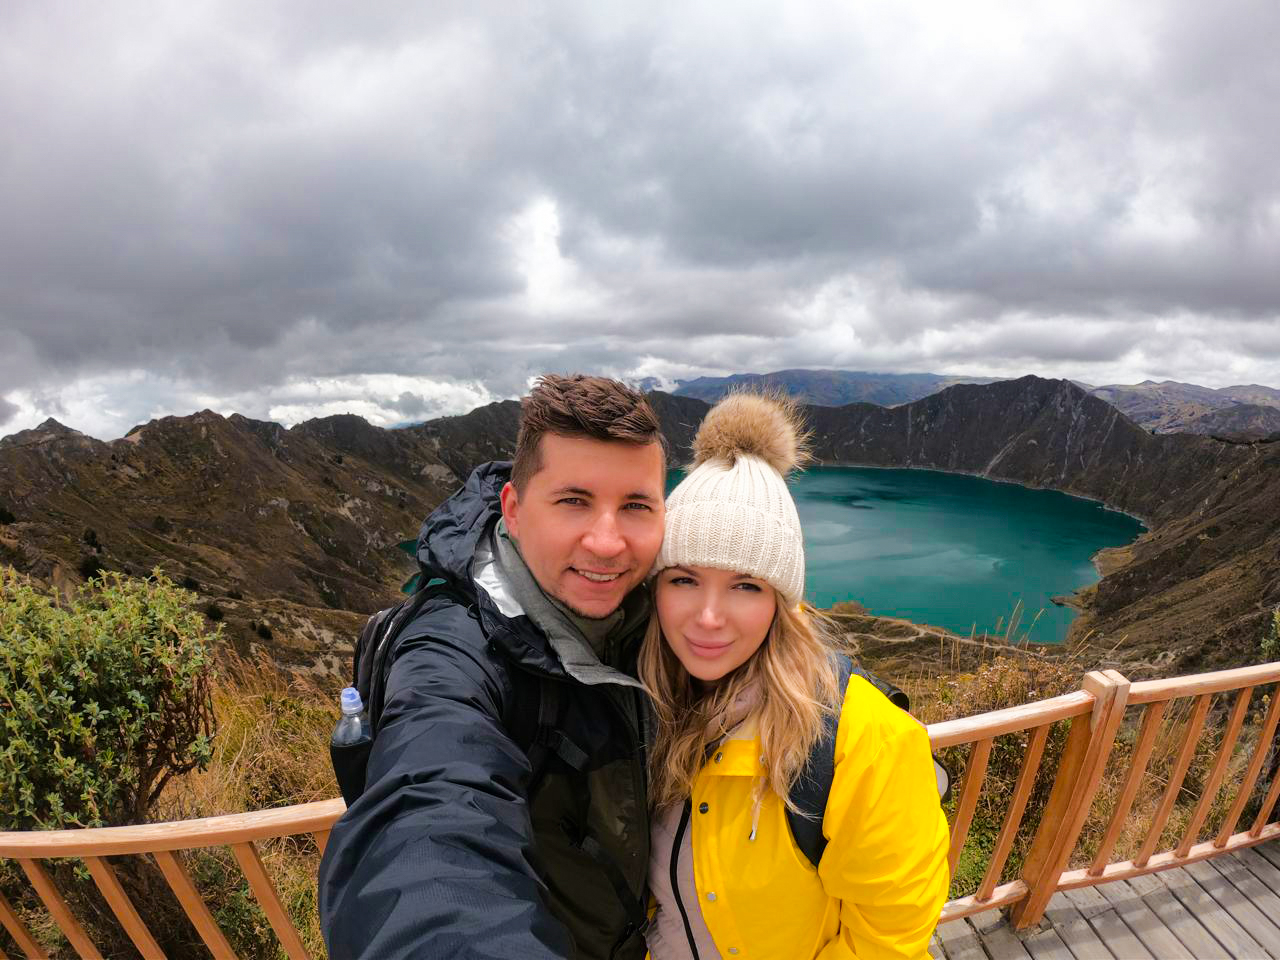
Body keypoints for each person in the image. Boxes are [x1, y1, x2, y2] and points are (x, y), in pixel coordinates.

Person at [318, 374, 667, 959]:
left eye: (635, 505)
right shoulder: (451, 650)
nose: (608, 543)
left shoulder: (670, 605)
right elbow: (431, 817)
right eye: (573, 501)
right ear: (514, 507)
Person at [640, 392, 950, 960]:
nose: (709, 616)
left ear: (782, 603)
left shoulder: (867, 743)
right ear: (654, 586)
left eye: (746, 585)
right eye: (683, 579)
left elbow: (888, 939)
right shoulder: (640, 697)